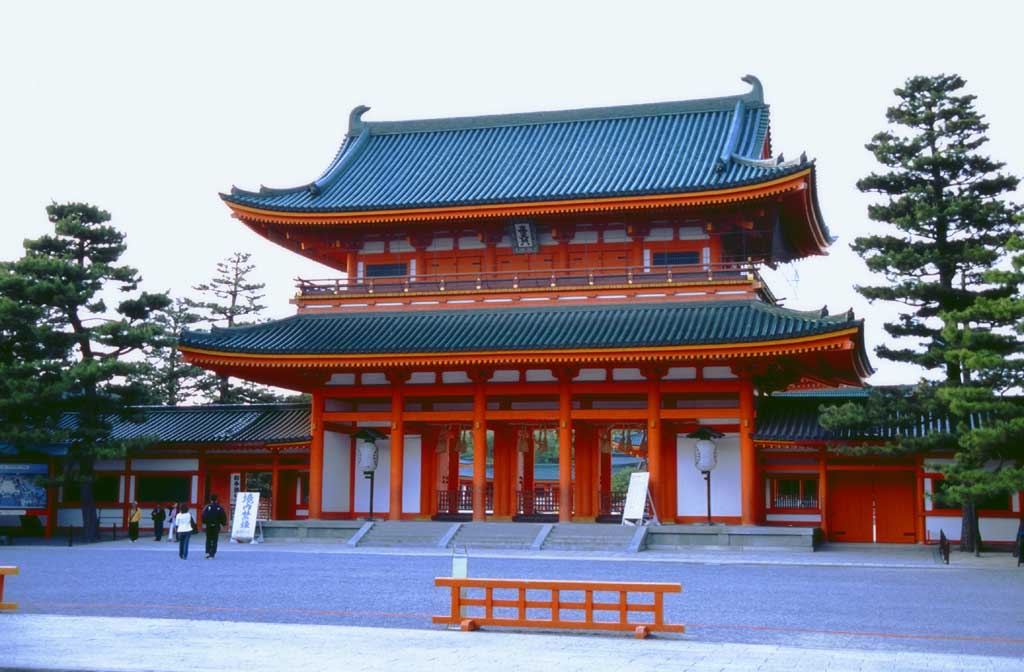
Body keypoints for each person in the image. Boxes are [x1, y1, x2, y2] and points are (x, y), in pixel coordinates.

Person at [201, 494, 228, 559]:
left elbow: (203, 515)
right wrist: (223, 523)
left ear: (210, 500)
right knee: (215, 539)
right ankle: (212, 554)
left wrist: (204, 522)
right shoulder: (219, 508)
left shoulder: (207, 507)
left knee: (208, 539)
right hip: (216, 525)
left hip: (208, 525)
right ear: (216, 500)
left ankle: (207, 552)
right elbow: (223, 516)